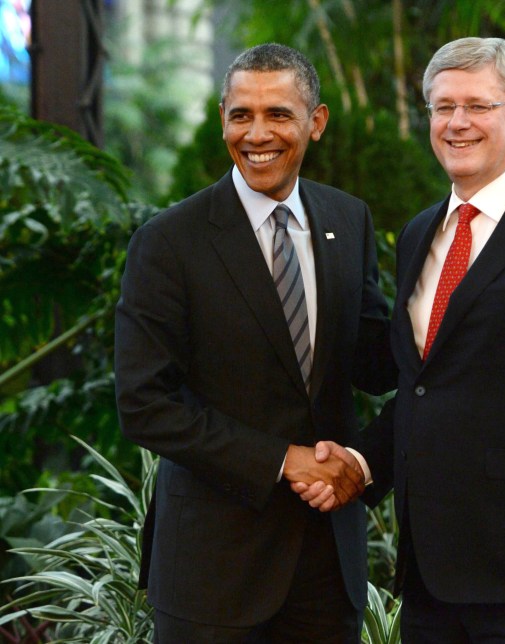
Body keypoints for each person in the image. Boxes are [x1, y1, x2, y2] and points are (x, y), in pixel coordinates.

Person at [295, 36, 505, 642]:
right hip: (432, 577)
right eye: (442, 107)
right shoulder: (418, 234)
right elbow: (425, 387)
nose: (457, 123)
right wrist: (359, 463)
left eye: (478, 106)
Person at [114, 43, 396, 643]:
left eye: (278, 115)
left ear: (315, 123)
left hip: (326, 568)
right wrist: (279, 459)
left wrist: (461, 306)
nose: (257, 133)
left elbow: (374, 362)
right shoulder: (168, 243)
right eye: (241, 114)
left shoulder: (348, 220)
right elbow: (144, 404)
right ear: (222, 119)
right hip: (213, 573)